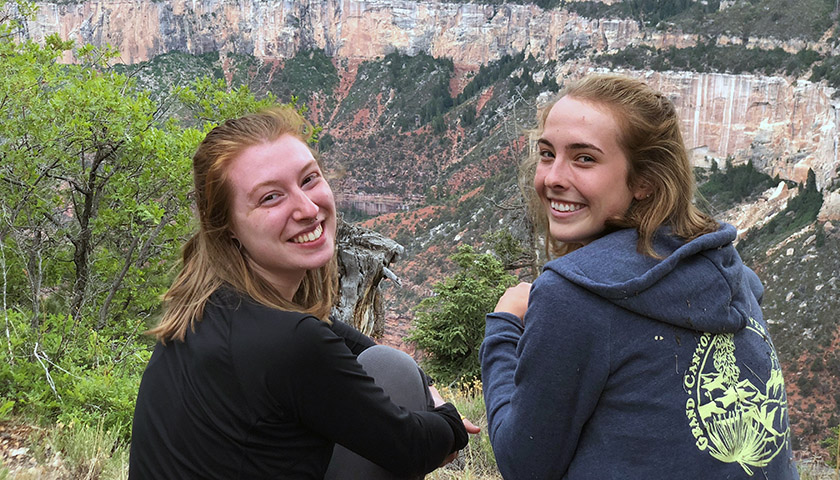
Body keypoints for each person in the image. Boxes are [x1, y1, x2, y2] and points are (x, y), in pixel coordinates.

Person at [129, 106, 476, 479]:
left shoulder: (208, 305)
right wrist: (448, 419)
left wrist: (424, 381)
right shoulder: (288, 345)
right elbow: (412, 448)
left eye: (309, 179)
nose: (308, 209)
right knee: (395, 371)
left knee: (392, 364)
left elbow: (325, 329)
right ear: (226, 225)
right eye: (271, 198)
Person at [480, 74, 798, 479]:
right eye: (546, 153)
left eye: (584, 158)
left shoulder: (573, 297)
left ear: (644, 181)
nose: (552, 177)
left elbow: (523, 464)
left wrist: (505, 327)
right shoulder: (723, 266)